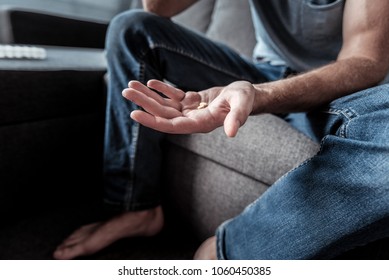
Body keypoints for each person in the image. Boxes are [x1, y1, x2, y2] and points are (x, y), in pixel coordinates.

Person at [53, 0, 389, 260]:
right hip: (262, 70)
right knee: (134, 29)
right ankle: (137, 207)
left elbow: (366, 61)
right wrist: (255, 86)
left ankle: (232, 251)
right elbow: (157, 8)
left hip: (343, 90)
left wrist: (260, 95)